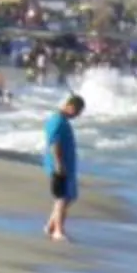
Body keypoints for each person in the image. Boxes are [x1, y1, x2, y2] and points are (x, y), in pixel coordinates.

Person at [42, 92, 84, 241]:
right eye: (77, 112)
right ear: (70, 107)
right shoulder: (57, 121)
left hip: (66, 164)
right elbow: (55, 144)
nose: (77, 116)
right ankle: (58, 230)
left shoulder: (63, 121)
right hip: (59, 165)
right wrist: (59, 164)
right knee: (61, 198)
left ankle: (51, 226)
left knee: (69, 197)